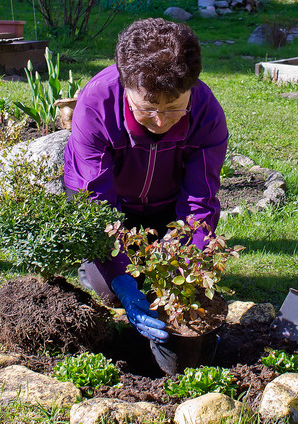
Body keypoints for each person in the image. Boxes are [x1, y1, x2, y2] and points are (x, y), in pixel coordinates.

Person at [63, 18, 229, 344]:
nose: (160, 121)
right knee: (110, 289)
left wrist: (182, 259)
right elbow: (94, 201)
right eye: (148, 107)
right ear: (126, 88)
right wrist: (120, 278)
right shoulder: (96, 104)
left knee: (171, 281)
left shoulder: (207, 114)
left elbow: (199, 202)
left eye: (174, 108)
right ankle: (94, 267)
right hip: (110, 207)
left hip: (165, 205)